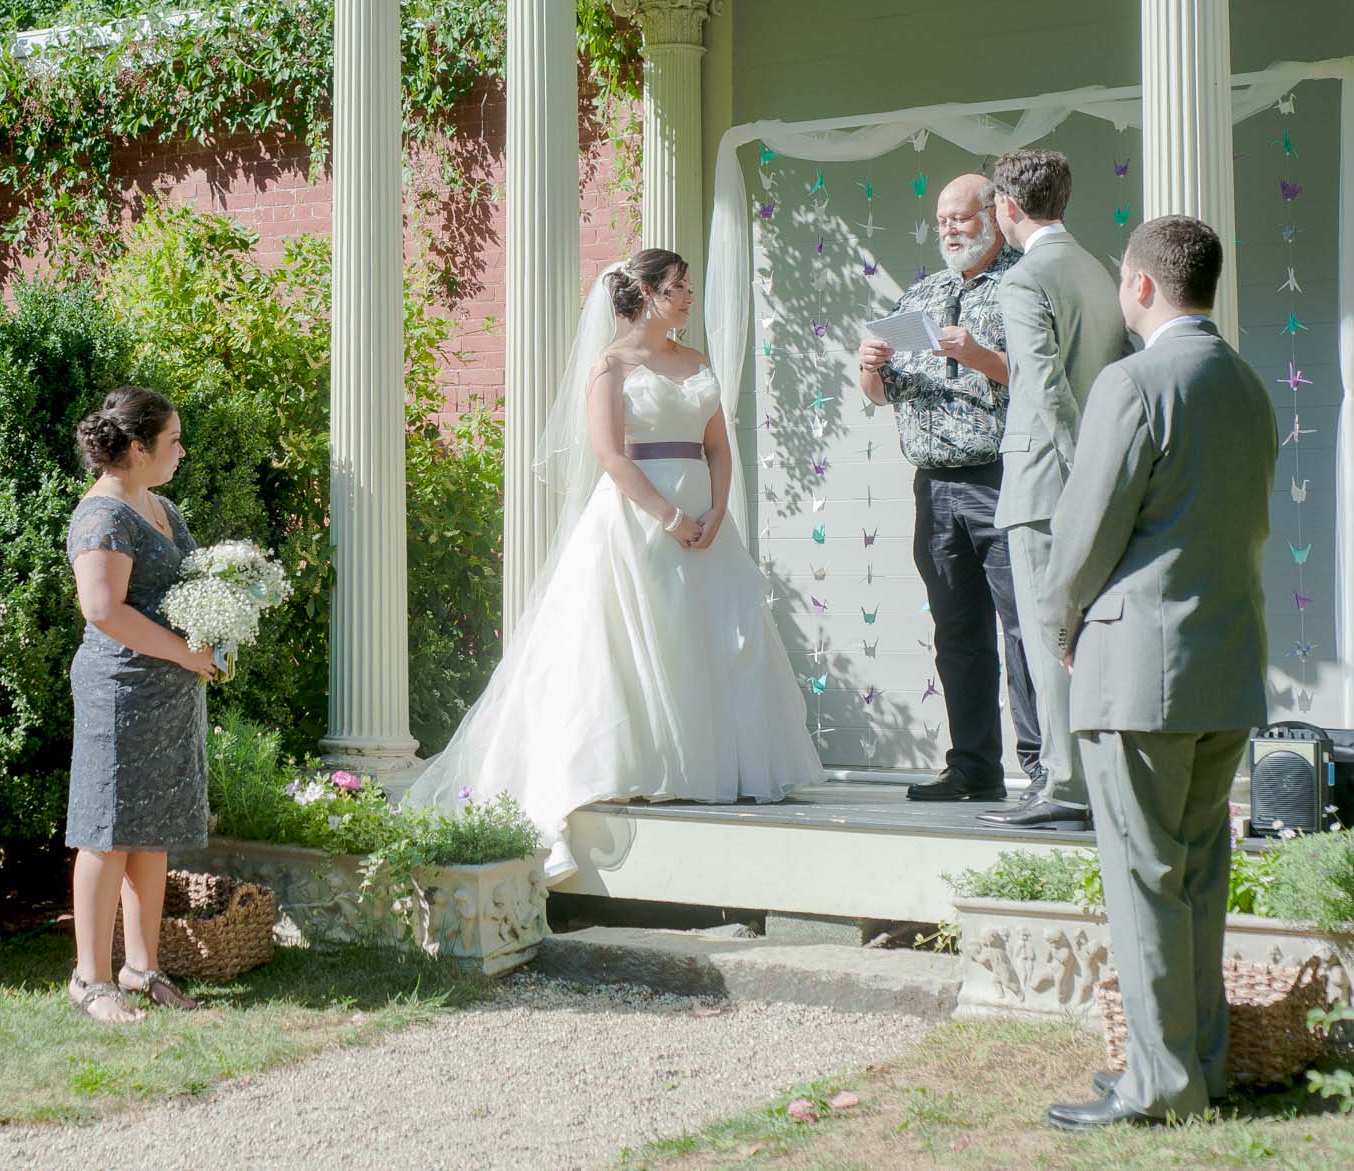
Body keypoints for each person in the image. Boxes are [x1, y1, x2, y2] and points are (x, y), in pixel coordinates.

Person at [407, 250, 823, 881]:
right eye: (678, 287)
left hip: (708, 523)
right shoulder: (611, 366)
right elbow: (610, 455)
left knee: (713, 639)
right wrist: (670, 517)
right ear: (648, 294)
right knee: (630, 644)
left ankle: (709, 768)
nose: (688, 297)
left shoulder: (698, 362)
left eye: (688, 287)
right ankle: (627, 769)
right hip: (637, 521)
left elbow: (717, 446)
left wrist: (714, 512)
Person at [1038, 216, 1276, 1130]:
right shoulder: (1250, 385)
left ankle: (1157, 1083)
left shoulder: (1133, 383)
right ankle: (1196, 1064)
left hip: (1139, 668)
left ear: (1140, 285)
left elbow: (1088, 526)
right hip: (1227, 665)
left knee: (1143, 880)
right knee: (1200, 876)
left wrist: (1063, 624)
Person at [857, 174, 1040, 804]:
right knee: (957, 632)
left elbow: (1048, 381)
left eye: (960, 218)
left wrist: (983, 355)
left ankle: (1045, 768)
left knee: (1024, 629)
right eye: (941, 222)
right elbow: (889, 394)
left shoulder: (1024, 283)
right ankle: (973, 770)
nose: (950, 231)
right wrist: (870, 370)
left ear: (992, 215)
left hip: (1003, 478)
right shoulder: (925, 293)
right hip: (934, 487)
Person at [982, 148, 1130, 830]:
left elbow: (1042, 386)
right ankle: (1094, 777)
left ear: (1009, 207)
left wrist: (1079, 477)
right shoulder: (1099, 269)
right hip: (1095, 477)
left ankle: (1065, 783)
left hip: (1047, 483)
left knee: (1050, 635)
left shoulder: (1025, 279)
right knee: (1088, 637)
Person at [64, 386, 218, 1024]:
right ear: (135, 447)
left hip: (168, 690)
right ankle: (91, 980)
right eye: (173, 441)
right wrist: (185, 652)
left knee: (151, 834)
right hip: (120, 689)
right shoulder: (102, 517)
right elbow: (102, 611)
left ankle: (142, 967)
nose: (181, 451)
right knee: (107, 833)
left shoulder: (159, 507)